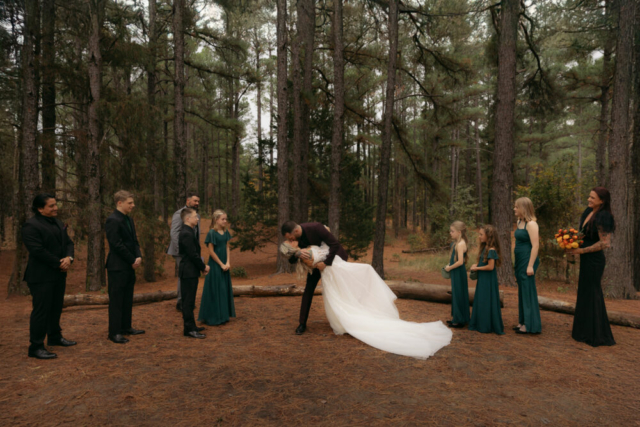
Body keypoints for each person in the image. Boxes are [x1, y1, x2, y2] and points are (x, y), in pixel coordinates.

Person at [280, 241, 452, 359]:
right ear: (292, 248)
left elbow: (327, 247)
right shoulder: (305, 254)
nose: (293, 241)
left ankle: (352, 317)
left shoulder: (308, 246)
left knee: (352, 287)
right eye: (290, 242)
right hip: (332, 272)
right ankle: (347, 319)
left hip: (335, 268)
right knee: (342, 296)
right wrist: (321, 261)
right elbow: (318, 263)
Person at [22, 194, 76, 359]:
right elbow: (37, 250)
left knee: (56, 307)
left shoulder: (58, 223)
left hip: (58, 274)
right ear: (40, 209)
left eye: (55, 205)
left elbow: (68, 243)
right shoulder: (31, 226)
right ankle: (36, 346)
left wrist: (69, 258)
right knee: (42, 310)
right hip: (40, 276)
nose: (55, 208)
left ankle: (54, 336)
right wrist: (59, 262)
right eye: (51, 206)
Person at [566, 187, 616, 347]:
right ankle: (583, 331)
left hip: (594, 260)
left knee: (593, 293)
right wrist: (569, 242)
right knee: (585, 292)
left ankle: (596, 334)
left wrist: (581, 250)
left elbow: (605, 243)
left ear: (602, 201)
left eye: (592, 198)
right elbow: (583, 234)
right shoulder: (588, 211)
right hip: (586, 259)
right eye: (589, 196)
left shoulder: (603, 216)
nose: (589, 199)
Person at [281, 220, 348, 335]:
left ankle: (346, 320)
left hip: (333, 259)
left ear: (296, 231)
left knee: (339, 289)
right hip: (315, 265)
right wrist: (297, 253)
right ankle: (302, 324)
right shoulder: (295, 240)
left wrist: (326, 263)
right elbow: (291, 260)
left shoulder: (316, 227)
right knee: (308, 289)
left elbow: (335, 244)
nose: (291, 240)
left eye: (291, 237)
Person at [105, 190, 145, 344]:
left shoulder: (129, 219)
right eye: (130, 203)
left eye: (132, 202)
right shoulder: (112, 220)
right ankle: (114, 332)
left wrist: (138, 255)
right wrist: (132, 260)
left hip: (129, 265)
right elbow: (116, 244)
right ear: (119, 203)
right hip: (117, 266)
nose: (133, 205)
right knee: (116, 300)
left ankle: (126, 327)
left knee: (127, 298)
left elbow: (134, 240)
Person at [198, 210, 236, 326]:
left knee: (223, 289)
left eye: (226, 219)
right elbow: (211, 251)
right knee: (215, 289)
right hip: (215, 265)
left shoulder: (225, 232)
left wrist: (228, 262)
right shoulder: (211, 233)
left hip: (225, 264)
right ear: (216, 220)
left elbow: (227, 247)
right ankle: (213, 316)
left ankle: (224, 315)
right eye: (223, 219)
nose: (225, 221)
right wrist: (221, 264)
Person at [178, 208, 210, 338]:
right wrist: (203, 267)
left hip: (191, 271)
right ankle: (189, 329)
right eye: (195, 217)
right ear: (187, 219)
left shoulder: (189, 231)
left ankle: (191, 326)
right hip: (188, 271)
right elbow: (192, 254)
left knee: (190, 301)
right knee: (188, 301)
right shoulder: (186, 233)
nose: (197, 219)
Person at [167, 192, 201, 311]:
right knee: (184, 276)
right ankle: (181, 302)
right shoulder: (179, 214)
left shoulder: (196, 215)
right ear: (188, 201)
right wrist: (181, 251)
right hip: (181, 251)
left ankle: (187, 301)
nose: (197, 203)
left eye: (198, 201)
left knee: (190, 276)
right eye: (195, 201)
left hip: (190, 251)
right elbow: (174, 233)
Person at [469, 224, 504, 335]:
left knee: (486, 300)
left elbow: (490, 267)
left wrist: (477, 268)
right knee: (481, 300)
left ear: (488, 236)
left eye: (481, 234)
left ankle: (486, 325)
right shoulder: (485, 248)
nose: (479, 236)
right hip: (483, 278)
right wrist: (477, 264)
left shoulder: (491, 250)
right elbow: (484, 263)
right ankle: (480, 323)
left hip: (488, 280)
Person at [513, 197, 541, 334]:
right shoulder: (519, 222)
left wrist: (530, 266)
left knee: (527, 289)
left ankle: (530, 324)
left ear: (523, 208)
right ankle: (522, 321)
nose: (514, 209)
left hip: (528, 259)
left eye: (516, 207)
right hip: (519, 259)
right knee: (522, 290)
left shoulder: (531, 224)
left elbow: (535, 246)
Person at [444, 221, 469, 328]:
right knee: (456, 293)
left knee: (458, 294)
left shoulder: (460, 244)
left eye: (452, 231)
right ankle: (456, 317)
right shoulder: (458, 243)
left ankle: (459, 320)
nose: (450, 233)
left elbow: (460, 262)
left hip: (458, 272)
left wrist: (449, 267)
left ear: (459, 232)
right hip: (456, 272)